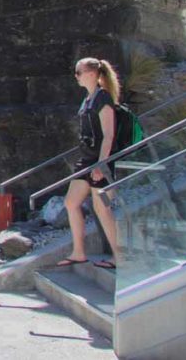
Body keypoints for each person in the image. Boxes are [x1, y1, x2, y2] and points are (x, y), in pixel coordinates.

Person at [56, 57, 122, 270]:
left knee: (102, 209)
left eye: (79, 72)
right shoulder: (89, 98)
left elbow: (109, 134)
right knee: (71, 202)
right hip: (86, 160)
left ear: (92, 73)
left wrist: (101, 165)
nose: (76, 76)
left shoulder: (103, 98)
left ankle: (119, 255)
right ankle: (78, 251)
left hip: (99, 160)